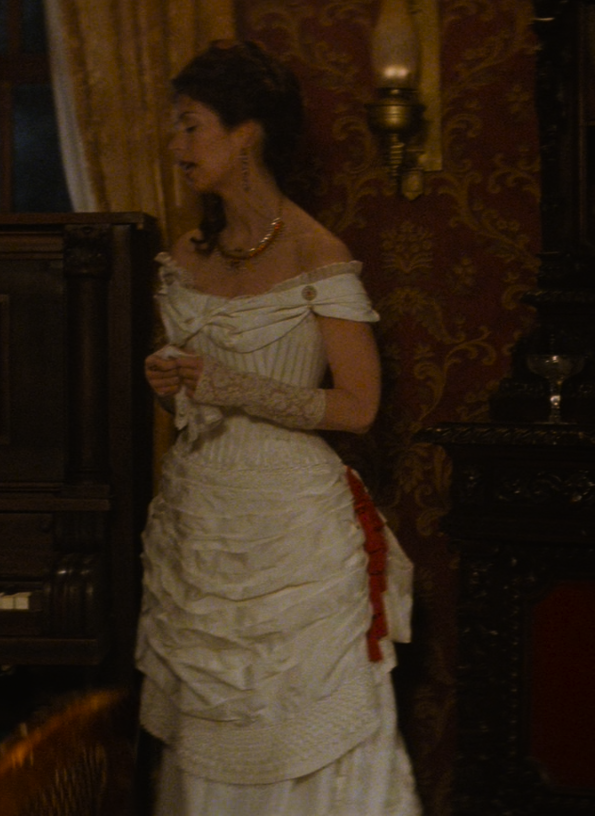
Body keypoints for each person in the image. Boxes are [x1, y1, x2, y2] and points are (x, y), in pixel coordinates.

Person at [137, 40, 421, 815]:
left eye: (191, 127)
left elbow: (359, 407)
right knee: (210, 719)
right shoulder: (186, 255)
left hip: (292, 530)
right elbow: (193, 403)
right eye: (175, 127)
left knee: (293, 717)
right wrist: (171, 386)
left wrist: (232, 385)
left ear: (246, 135)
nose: (177, 145)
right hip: (201, 520)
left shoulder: (316, 252)